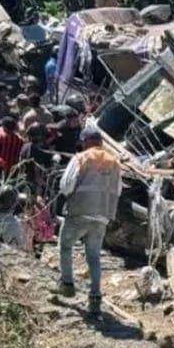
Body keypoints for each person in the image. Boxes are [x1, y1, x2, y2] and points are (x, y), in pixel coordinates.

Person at [57, 124, 122, 316]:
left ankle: (67, 284)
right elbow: (118, 191)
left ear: (85, 142)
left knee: (65, 246)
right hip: (102, 215)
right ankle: (95, 295)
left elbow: (66, 185)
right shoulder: (115, 161)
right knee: (93, 256)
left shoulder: (81, 158)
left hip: (79, 211)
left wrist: (70, 196)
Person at [19, 123, 56, 193]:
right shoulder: (35, 151)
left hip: (25, 181)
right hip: (33, 185)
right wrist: (48, 188)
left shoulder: (27, 146)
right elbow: (37, 176)